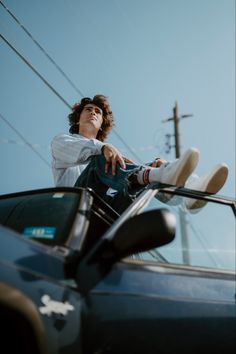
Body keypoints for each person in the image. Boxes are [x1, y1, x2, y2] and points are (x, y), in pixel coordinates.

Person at [51, 94, 228, 214]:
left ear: (102, 123)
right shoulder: (62, 141)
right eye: (88, 109)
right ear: (78, 117)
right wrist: (104, 148)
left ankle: (190, 192)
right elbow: (89, 149)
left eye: (98, 112)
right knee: (101, 158)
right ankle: (165, 174)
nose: (93, 113)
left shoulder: (104, 151)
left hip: (104, 210)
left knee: (148, 171)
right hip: (73, 208)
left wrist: (149, 168)